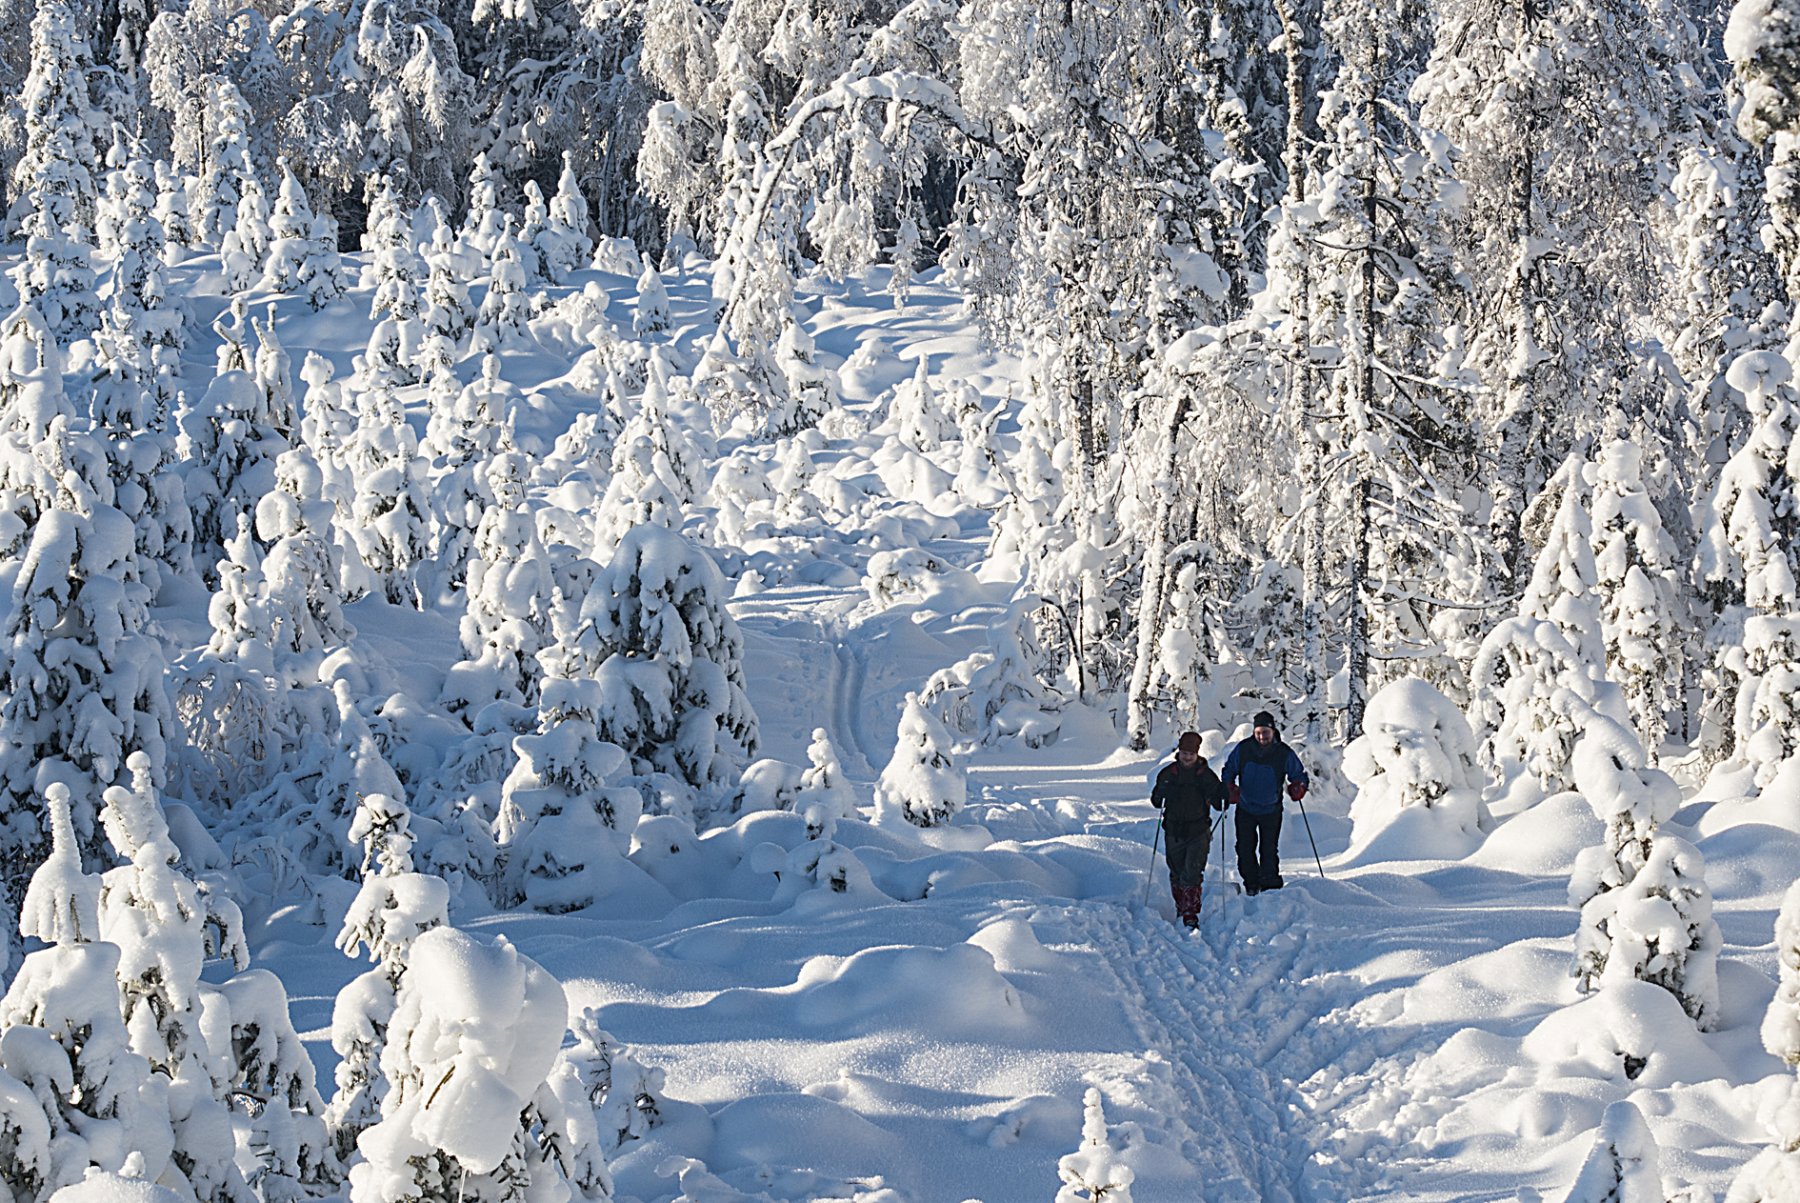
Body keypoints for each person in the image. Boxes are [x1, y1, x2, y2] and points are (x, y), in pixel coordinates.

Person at [1219, 710, 1309, 896]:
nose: (1262, 736)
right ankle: (1251, 882)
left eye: (1265, 732)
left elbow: (1298, 775)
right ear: (1253, 732)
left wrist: (1298, 787)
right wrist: (1229, 788)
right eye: (1258, 732)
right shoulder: (1243, 749)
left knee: (1268, 849)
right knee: (1244, 848)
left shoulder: (1283, 752)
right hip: (1245, 808)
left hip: (1271, 810)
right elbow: (1229, 770)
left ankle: (1270, 885)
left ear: (1273, 731)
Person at [1150, 730, 1225, 928]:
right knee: (1176, 871)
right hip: (1173, 830)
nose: (1187, 757)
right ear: (1179, 752)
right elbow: (1156, 802)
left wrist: (1225, 794)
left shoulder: (1205, 775)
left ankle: (1191, 912)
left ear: (1197, 753)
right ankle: (1181, 906)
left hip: (1198, 831)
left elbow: (1218, 802)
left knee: (1192, 872)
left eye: (1191, 754)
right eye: (1184, 753)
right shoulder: (1168, 773)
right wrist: (1161, 791)